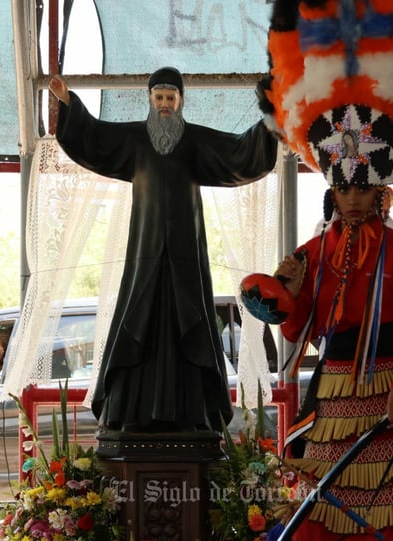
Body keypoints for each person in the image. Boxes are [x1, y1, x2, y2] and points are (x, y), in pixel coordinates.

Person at [48, 67, 278, 433]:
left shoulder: (196, 142)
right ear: (150, 101)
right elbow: (93, 138)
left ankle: (194, 415)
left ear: (181, 101)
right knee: (138, 318)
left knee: (190, 320)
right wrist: (68, 102)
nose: (165, 105)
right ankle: (128, 413)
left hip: (187, 256)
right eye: (159, 98)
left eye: (171, 98)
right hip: (145, 252)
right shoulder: (134, 140)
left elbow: (240, 153)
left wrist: (270, 116)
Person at [276, 182, 393, 541]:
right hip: (331, 398)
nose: (353, 200)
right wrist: (288, 292)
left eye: (363, 190)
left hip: (387, 390)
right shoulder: (311, 253)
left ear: (380, 193)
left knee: (383, 506)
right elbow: (296, 331)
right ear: (332, 194)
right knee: (318, 502)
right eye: (344, 190)